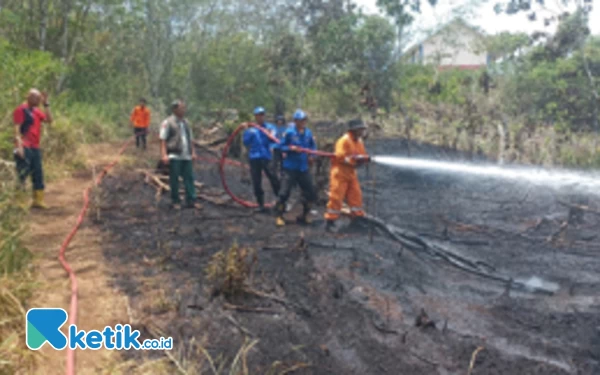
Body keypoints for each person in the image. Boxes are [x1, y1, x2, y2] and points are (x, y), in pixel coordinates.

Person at [324, 119, 371, 231]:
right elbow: (340, 157)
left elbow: (362, 154)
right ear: (354, 130)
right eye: (360, 129)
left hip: (351, 173)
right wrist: (354, 160)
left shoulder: (358, 141)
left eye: (363, 129)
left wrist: (364, 159)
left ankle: (357, 219)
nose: (362, 132)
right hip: (340, 173)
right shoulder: (344, 140)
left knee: (356, 195)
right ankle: (330, 222)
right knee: (336, 197)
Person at [275, 110, 318, 227]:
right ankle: (279, 216)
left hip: (303, 168)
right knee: (284, 193)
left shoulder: (308, 133)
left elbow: (313, 147)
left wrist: (312, 156)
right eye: (301, 120)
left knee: (311, 192)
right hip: (290, 168)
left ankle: (304, 215)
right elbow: (280, 146)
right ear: (295, 121)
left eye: (305, 120)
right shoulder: (289, 132)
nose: (303, 122)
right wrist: (291, 148)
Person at [13, 88, 53, 209]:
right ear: (28, 97)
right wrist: (19, 146)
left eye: (39, 98)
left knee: (38, 172)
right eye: (35, 97)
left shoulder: (36, 111)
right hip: (24, 146)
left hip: (35, 146)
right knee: (22, 173)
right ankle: (19, 202)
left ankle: (38, 200)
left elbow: (49, 120)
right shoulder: (21, 110)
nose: (37, 99)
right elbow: (16, 129)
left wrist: (46, 104)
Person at [159, 100, 201, 210]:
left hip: (186, 155)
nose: (184, 110)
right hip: (174, 155)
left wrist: (193, 152)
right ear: (175, 109)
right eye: (181, 108)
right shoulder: (168, 122)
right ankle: (175, 201)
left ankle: (191, 200)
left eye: (184, 108)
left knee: (189, 178)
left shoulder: (186, 123)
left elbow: (190, 139)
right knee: (174, 179)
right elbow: (163, 140)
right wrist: (164, 155)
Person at [242, 107, 280, 212]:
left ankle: (281, 200)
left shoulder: (270, 127)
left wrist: (270, 135)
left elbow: (274, 138)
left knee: (273, 178)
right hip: (254, 158)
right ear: (255, 116)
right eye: (258, 115)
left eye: (262, 114)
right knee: (256, 181)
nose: (260, 117)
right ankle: (260, 204)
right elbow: (245, 142)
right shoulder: (251, 130)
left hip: (266, 157)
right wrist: (246, 131)